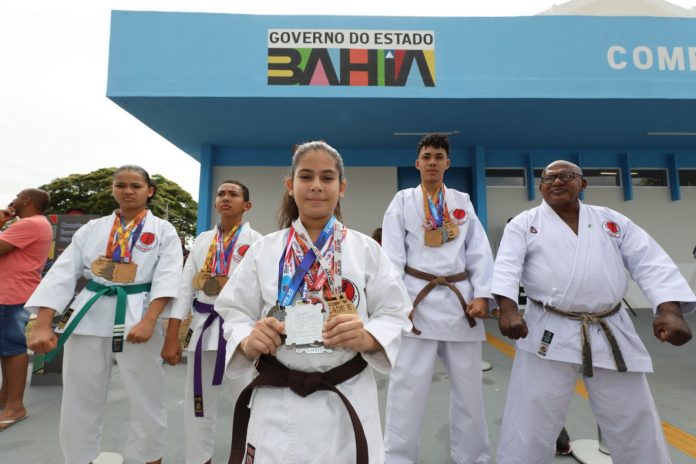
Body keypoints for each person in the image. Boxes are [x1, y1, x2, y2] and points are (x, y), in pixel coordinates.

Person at [215, 141, 412, 464]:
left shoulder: (365, 250)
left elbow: (395, 312)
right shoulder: (265, 250)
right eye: (306, 177)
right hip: (278, 399)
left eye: (327, 178)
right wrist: (249, 339)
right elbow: (234, 312)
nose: (317, 186)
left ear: (342, 187)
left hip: (346, 394)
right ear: (291, 186)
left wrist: (368, 337)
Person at [493, 160, 694, 464]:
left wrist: (670, 309)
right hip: (548, 328)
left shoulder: (610, 221)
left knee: (633, 416)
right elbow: (507, 266)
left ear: (583, 184)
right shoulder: (524, 223)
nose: (556, 182)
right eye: (548, 178)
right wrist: (507, 307)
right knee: (530, 415)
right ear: (540, 187)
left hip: (609, 328)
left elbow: (650, 262)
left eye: (566, 176)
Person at [26, 165, 183, 464]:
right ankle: (79, 458)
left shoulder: (163, 229)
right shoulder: (92, 229)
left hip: (138, 313)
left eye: (136, 186)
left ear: (149, 191)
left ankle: (150, 457)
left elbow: (168, 277)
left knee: (147, 394)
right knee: (79, 395)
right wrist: (43, 323)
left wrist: (151, 320)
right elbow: (63, 273)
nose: (128, 191)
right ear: (112, 189)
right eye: (121, 185)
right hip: (90, 311)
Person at [382, 133, 495, 464]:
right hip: (416, 302)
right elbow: (391, 256)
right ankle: (398, 458)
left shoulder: (462, 200)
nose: (432, 161)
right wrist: (396, 304)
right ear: (417, 164)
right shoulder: (402, 201)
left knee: (470, 390)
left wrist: (484, 295)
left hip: (461, 304)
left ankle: (475, 457)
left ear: (448, 163)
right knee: (407, 389)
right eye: (427, 156)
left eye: (438, 156)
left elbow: (478, 250)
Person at [162, 180, 262, 464]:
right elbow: (184, 289)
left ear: (247, 205)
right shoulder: (203, 241)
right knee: (198, 401)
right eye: (221, 194)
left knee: (249, 399)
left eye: (233, 194)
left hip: (242, 331)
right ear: (215, 202)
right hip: (203, 328)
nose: (226, 198)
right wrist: (172, 337)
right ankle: (199, 459)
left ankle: (249, 456)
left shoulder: (257, 242)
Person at [0, 189, 52, 431]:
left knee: (12, 349)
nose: (13, 200)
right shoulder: (36, 223)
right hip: (13, 292)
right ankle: (5, 399)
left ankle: (15, 407)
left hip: (9, 294)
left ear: (28, 201)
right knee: (6, 348)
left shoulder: (29, 224)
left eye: (18, 196)